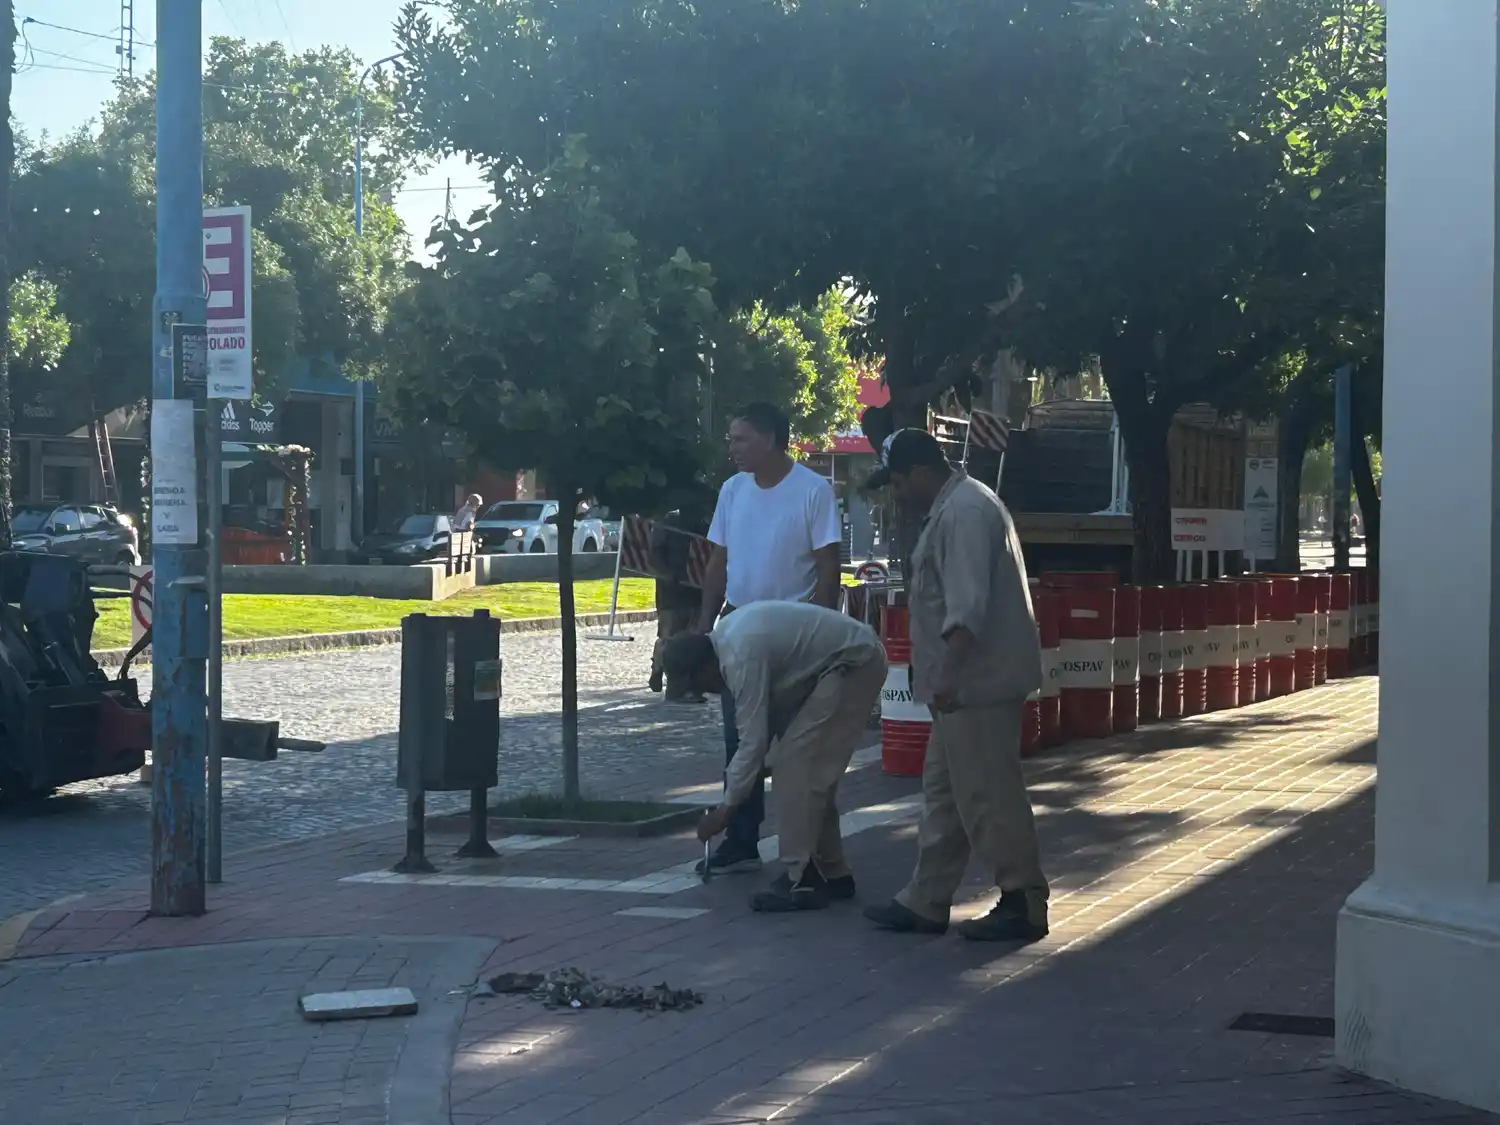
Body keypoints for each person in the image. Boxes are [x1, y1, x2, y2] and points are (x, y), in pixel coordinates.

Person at [860, 428, 1052, 944]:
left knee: (989, 794)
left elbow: (966, 607)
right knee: (945, 796)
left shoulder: (964, 513)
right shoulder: (958, 505)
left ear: (921, 472)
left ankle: (1023, 899)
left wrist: (945, 673)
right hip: (962, 684)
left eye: (898, 484)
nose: (896, 495)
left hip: (976, 682)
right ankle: (926, 898)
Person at [695, 402, 844, 876]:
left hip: (795, 636)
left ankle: (815, 852)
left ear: (772, 438)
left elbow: (828, 568)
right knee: (738, 740)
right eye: (731, 439)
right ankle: (740, 838)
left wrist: (820, 631)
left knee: (800, 749)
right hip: (739, 629)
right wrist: (704, 626)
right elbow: (717, 563)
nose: (732, 449)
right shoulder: (732, 491)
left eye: (741, 439)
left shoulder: (812, 490)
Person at [664, 601, 886, 911]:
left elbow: (752, 742)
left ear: (705, 668)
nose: (707, 693)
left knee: (796, 771)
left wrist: (724, 812)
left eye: (698, 685)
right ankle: (832, 873)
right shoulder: (729, 644)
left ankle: (801, 877)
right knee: (806, 774)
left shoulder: (740, 659)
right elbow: (758, 737)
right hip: (840, 664)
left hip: (853, 662)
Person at [649, 507, 708, 700]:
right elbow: (654, 554)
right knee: (668, 636)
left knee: (693, 638)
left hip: (696, 591)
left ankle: (689, 684)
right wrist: (666, 575)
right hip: (671, 592)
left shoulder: (704, 523)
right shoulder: (668, 522)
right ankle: (658, 667)